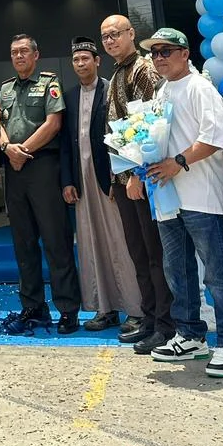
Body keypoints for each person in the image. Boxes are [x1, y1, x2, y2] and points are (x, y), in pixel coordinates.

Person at [137, 27, 223, 378]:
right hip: (167, 196)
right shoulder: (161, 91)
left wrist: (178, 162)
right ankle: (190, 335)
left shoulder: (200, 87)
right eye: (154, 53)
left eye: (166, 51)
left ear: (185, 54)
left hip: (200, 194)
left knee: (216, 271)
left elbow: (214, 137)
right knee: (178, 270)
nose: (158, 58)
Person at [0, 34, 81, 334]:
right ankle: (32, 306)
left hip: (43, 166)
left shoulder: (49, 83)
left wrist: (23, 151)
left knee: (56, 240)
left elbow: (53, 123)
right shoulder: (5, 88)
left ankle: (68, 308)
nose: (19, 56)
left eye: (24, 51)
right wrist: (8, 149)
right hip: (14, 169)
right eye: (14, 52)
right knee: (23, 243)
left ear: (36, 55)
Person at [100, 13, 173, 354]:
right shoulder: (117, 72)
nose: (110, 40)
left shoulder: (143, 69)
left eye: (116, 33)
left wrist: (134, 175)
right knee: (138, 253)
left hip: (142, 179)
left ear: (131, 33)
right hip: (123, 178)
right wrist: (116, 179)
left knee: (154, 253)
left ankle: (165, 324)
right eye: (105, 36)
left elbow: (149, 125)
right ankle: (149, 317)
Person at [61, 38, 143, 333]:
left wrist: (119, 176)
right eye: (76, 60)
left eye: (86, 58)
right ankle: (104, 308)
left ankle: (135, 309)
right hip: (81, 182)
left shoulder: (111, 90)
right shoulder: (69, 97)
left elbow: (125, 135)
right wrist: (67, 181)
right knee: (90, 244)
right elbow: (65, 143)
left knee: (120, 243)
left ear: (97, 61)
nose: (80, 64)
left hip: (109, 179)